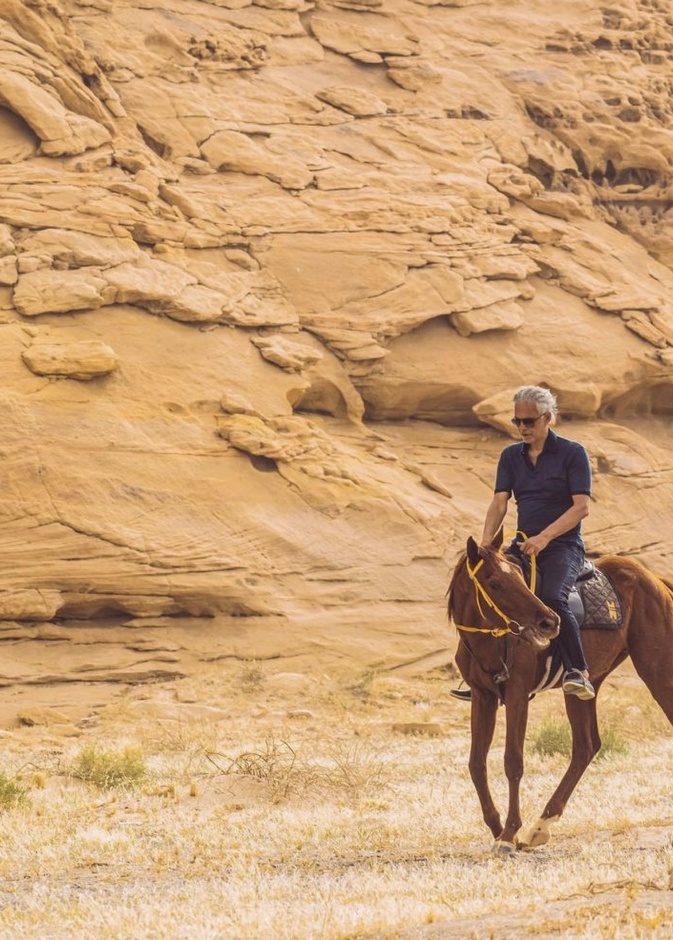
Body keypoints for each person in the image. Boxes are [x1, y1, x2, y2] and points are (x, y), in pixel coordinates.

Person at [453, 385, 595, 701]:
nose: (522, 428)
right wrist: (487, 547)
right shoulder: (510, 456)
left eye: (528, 421)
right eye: (517, 421)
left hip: (563, 546)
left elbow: (581, 507)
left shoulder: (573, 453)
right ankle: (480, 674)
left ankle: (577, 671)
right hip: (521, 545)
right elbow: (499, 503)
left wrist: (545, 537)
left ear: (547, 418)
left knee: (552, 599)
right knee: (484, 589)